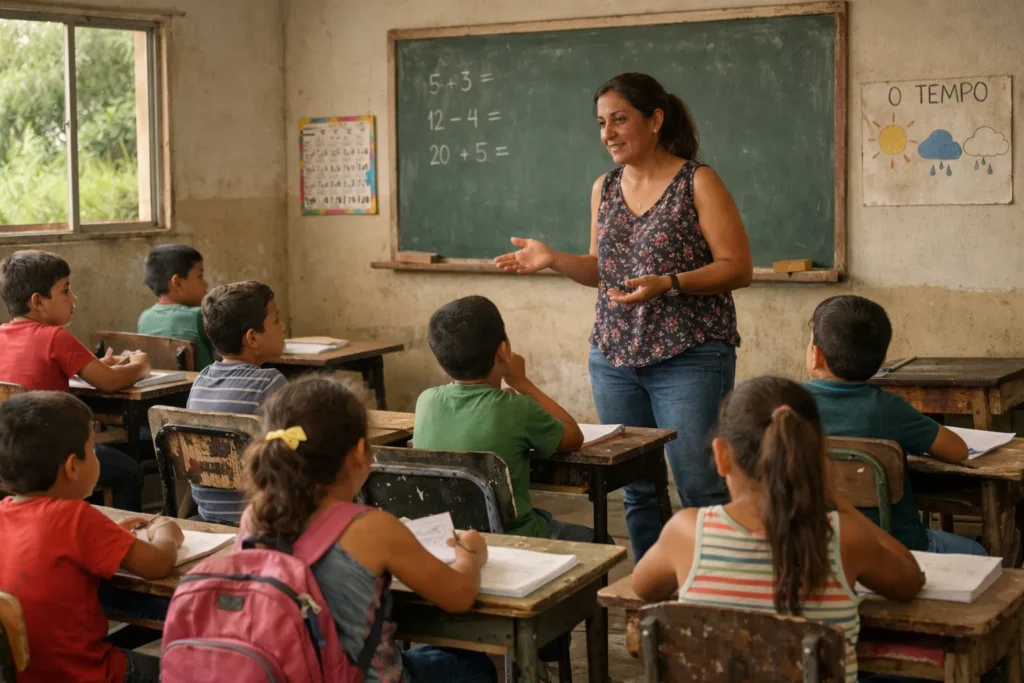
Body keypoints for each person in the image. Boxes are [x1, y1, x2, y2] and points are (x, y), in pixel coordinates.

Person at [495, 72, 753, 561]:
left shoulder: (696, 180)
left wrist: (669, 283)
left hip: (690, 355)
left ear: (655, 120)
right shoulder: (605, 187)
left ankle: (716, 596)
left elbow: (737, 267)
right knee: (636, 485)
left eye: (619, 119)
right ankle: (650, 595)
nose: (607, 133)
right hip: (614, 357)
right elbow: (600, 270)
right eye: (600, 123)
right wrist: (552, 259)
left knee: (699, 484)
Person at [632, 377, 925, 683]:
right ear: (816, 457)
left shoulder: (687, 533)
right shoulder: (844, 537)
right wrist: (838, 502)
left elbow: (643, 588)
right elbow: (910, 580)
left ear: (721, 456)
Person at [242, 376, 496, 683]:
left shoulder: (255, 517)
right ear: (361, 452)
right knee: (472, 666)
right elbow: (459, 596)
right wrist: (468, 552)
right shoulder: (372, 528)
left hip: (287, 674)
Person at [0, 391, 184, 683]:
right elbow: (158, 563)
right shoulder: (75, 519)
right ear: (73, 467)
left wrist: (112, 538)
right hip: (88, 674)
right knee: (189, 672)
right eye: (94, 449)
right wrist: (166, 531)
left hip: (22, 675)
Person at [805, 295, 986, 555]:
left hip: (816, 545)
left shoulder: (786, 405)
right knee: (978, 554)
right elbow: (957, 451)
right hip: (894, 549)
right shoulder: (889, 409)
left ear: (816, 355)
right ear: (881, 363)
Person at [414, 295, 591, 541]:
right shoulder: (517, 408)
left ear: (440, 356)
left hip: (449, 538)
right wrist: (522, 383)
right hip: (513, 539)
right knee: (601, 541)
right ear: (504, 350)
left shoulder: (426, 401)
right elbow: (573, 436)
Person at [0, 250, 149, 510]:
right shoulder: (54, 336)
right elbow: (110, 382)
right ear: (38, 301)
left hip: (10, 457)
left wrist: (96, 366)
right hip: (51, 458)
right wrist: (140, 365)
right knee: (129, 471)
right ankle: (122, 538)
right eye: (65, 290)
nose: (73, 298)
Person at [186, 280, 287, 524]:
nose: (283, 326)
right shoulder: (270, 383)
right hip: (259, 518)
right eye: (276, 320)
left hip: (208, 514)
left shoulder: (200, 381)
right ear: (252, 338)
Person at [137, 244, 214, 370]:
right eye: (200, 276)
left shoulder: (144, 318)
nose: (206, 284)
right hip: (202, 386)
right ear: (177, 283)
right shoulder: (198, 316)